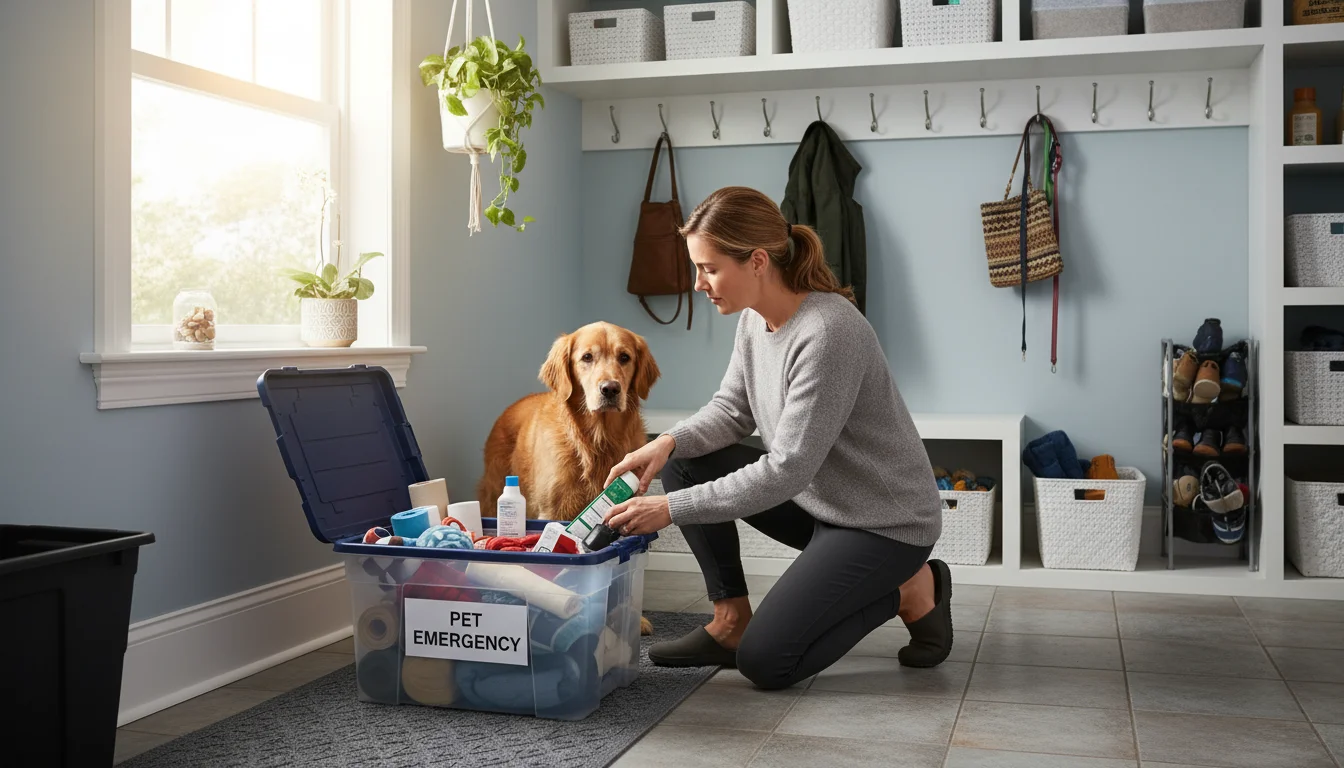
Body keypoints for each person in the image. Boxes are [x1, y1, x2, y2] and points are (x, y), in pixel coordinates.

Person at [602, 186, 952, 690]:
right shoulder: (753, 318)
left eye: (709, 268)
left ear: (758, 261)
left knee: (767, 663)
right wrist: (666, 442)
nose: (699, 284)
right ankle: (730, 623)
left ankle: (913, 589)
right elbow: (732, 409)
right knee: (681, 459)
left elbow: (786, 468)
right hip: (822, 507)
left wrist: (670, 510)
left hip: (884, 525)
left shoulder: (829, 331)